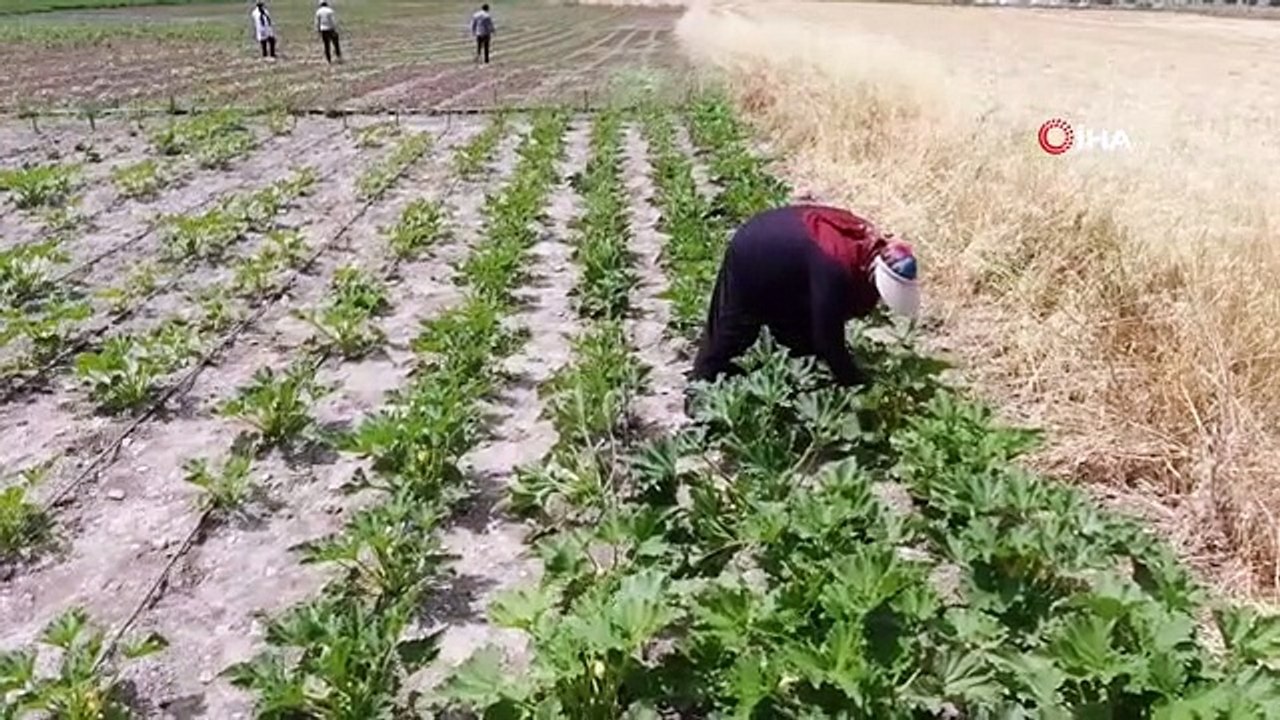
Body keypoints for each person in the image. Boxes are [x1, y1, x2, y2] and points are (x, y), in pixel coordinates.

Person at [689, 204, 921, 391]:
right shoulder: (835, 266)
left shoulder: (867, 243)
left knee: (800, 332)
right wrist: (857, 383)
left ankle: (798, 367)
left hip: (789, 247)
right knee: (732, 329)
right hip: (755, 250)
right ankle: (699, 391)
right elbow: (828, 339)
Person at [316, 0, 342, 65]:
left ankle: (328, 60)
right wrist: (335, 28)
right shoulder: (330, 11)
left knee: (326, 45)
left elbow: (317, 22)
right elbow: (333, 21)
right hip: (330, 29)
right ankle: (338, 56)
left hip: (323, 30)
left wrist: (318, 29)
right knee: (336, 43)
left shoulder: (318, 12)